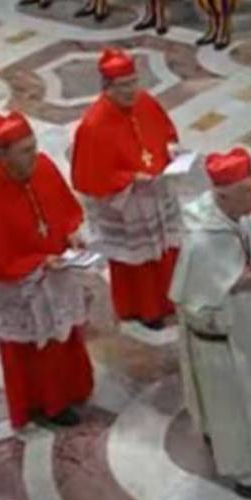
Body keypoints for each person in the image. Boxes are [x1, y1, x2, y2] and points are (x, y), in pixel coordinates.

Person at [171, 147, 251, 500]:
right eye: (247, 192)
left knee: (236, 400)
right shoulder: (203, 241)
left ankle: (215, 437)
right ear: (221, 196)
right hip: (221, 339)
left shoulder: (242, 217)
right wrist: (237, 284)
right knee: (238, 406)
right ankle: (248, 477)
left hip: (247, 325)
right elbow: (195, 301)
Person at [0, 111, 95, 429]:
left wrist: (71, 232)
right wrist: (38, 263)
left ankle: (74, 389)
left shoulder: (44, 168)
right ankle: (47, 404)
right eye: (24, 151)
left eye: (34, 146)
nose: (33, 155)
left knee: (64, 334)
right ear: (2, 154)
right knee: (33, 349)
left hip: (55, 272)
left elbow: (64, 209)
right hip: (19, 287)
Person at [70, 47, 182, 329]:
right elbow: (91, 176)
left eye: (134, 82)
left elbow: (166, 132)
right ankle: (143, 308)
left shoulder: (145, 102)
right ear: (106, 88)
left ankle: (169, 299)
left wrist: (171, 150)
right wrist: (129, 179)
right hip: (126, 203)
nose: (131, 91)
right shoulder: (94, 124)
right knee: (136, 261)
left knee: (165, 250)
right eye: (123, 86)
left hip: (155, 191)